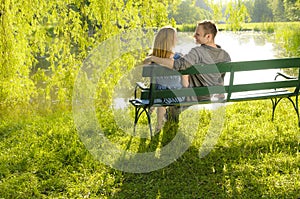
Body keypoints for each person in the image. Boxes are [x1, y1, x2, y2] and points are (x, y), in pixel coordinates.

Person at [145, 20, 231, 101]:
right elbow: (220, 78)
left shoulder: (197, 53)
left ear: (208, 36)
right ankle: (169, 113)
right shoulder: (225, 55)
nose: (194, 36)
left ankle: (166, 112)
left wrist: (153, 58)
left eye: (197, 34)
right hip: (209, 94)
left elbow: (178, 65)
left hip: (196, 94)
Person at [149, 26, 189, 132]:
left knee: (161, 94)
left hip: (156, 96)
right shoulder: (180, 59)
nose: (177, 39)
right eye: (175, 37)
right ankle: (160, 122)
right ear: (171, 40)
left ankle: (158, 126)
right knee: (170, 91)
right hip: (176, 97)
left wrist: (153, 58)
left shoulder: (151, 59)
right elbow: (185, 84)